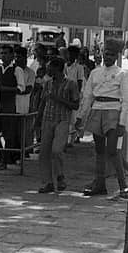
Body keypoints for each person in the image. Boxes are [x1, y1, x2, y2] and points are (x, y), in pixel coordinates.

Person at [74, 38, 128, 197]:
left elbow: (126, 100)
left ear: (117, 55)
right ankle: (100, 184)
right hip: (97, 110)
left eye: (111, 54)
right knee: (99, 150)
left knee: (112, 150)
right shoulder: (95, 72)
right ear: (102, 54)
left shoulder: (122, 74)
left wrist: (122, 122)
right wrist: (80, 116)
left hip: (113, 111)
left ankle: (123, 184)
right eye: (106, 53)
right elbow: (88, 96)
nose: (108, 56)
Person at [36, 56, 80, 193]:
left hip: (62, 120)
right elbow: (43, 102)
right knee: (44, 152)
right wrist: (37, 119)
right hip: (48, 119)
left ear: (57, 69)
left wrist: (59, 99)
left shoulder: (71, 84)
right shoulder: (48, 84)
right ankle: (48, 181)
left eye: (50, 67)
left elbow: (75, 105)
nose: (47, 69)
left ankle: (60, 176)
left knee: (56, 150)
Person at [0, 44, 25, 170]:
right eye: (2, 53)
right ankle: (1, 157)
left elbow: (21, 88)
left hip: (10, 106)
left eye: (6, 53)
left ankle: (4, 161)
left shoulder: (17, 70)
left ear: (12, 55)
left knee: (8, 135)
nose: (3, 55)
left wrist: (4, 89)